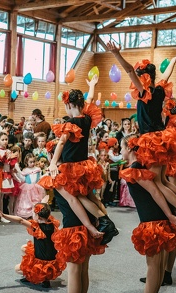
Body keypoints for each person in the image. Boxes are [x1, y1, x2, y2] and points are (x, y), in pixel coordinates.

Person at [107, 41, 176, 230]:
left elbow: (130, 70)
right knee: (163, 179)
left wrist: (116, 55)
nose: (134, 81)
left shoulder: (145, 92)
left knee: (158, 181)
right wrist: (172, 61)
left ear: (144, 77)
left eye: (138, 77)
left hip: (151, 140)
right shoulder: (159, 90)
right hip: (162, 138)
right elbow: (166, 74)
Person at [40, 83, 118, 244]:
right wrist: (92, 86)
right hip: (84, 164)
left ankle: (101, 222)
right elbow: (88, 101)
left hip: (71, 167)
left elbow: (61, 142)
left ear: (69, 105)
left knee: (78, 197)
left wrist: (53, 163)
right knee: (91, 196)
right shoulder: (87, 119)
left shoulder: (71, 123)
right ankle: (107, 221)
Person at [119, 135, 176, 293]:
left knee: (153, 264)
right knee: (158, 262)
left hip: (153, 220)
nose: (120, 152)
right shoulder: (139, 168)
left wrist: (170, 214)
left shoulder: (137, 168)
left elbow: (156, 192)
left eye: (122, 148)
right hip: (155, 218)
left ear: (130, 149)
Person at [0, 199, 66, 288]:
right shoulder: (52, 222)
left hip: (41, 261)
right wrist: (44, 202)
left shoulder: (37, 227)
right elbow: (44, 209)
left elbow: (20, 220)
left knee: (17, 269)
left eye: (34, 213)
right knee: (24, 248)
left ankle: (37, 276)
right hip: (52, 258)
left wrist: (3, 215)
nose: (32, 215)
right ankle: (45, 278)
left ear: (38, 217)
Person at [14, 153, 45, 218]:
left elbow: (40, 177)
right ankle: (28, 213)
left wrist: (46, 175)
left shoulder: (37, 169)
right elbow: (23, 179)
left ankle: (36, 212)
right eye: (30, 162)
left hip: (36, 187)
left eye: (33, 161)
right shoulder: (25, 170)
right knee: (27, 201)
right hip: (27, 188)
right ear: (26, 162)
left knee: (36, 200)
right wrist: (18, 173)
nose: (32, 163)